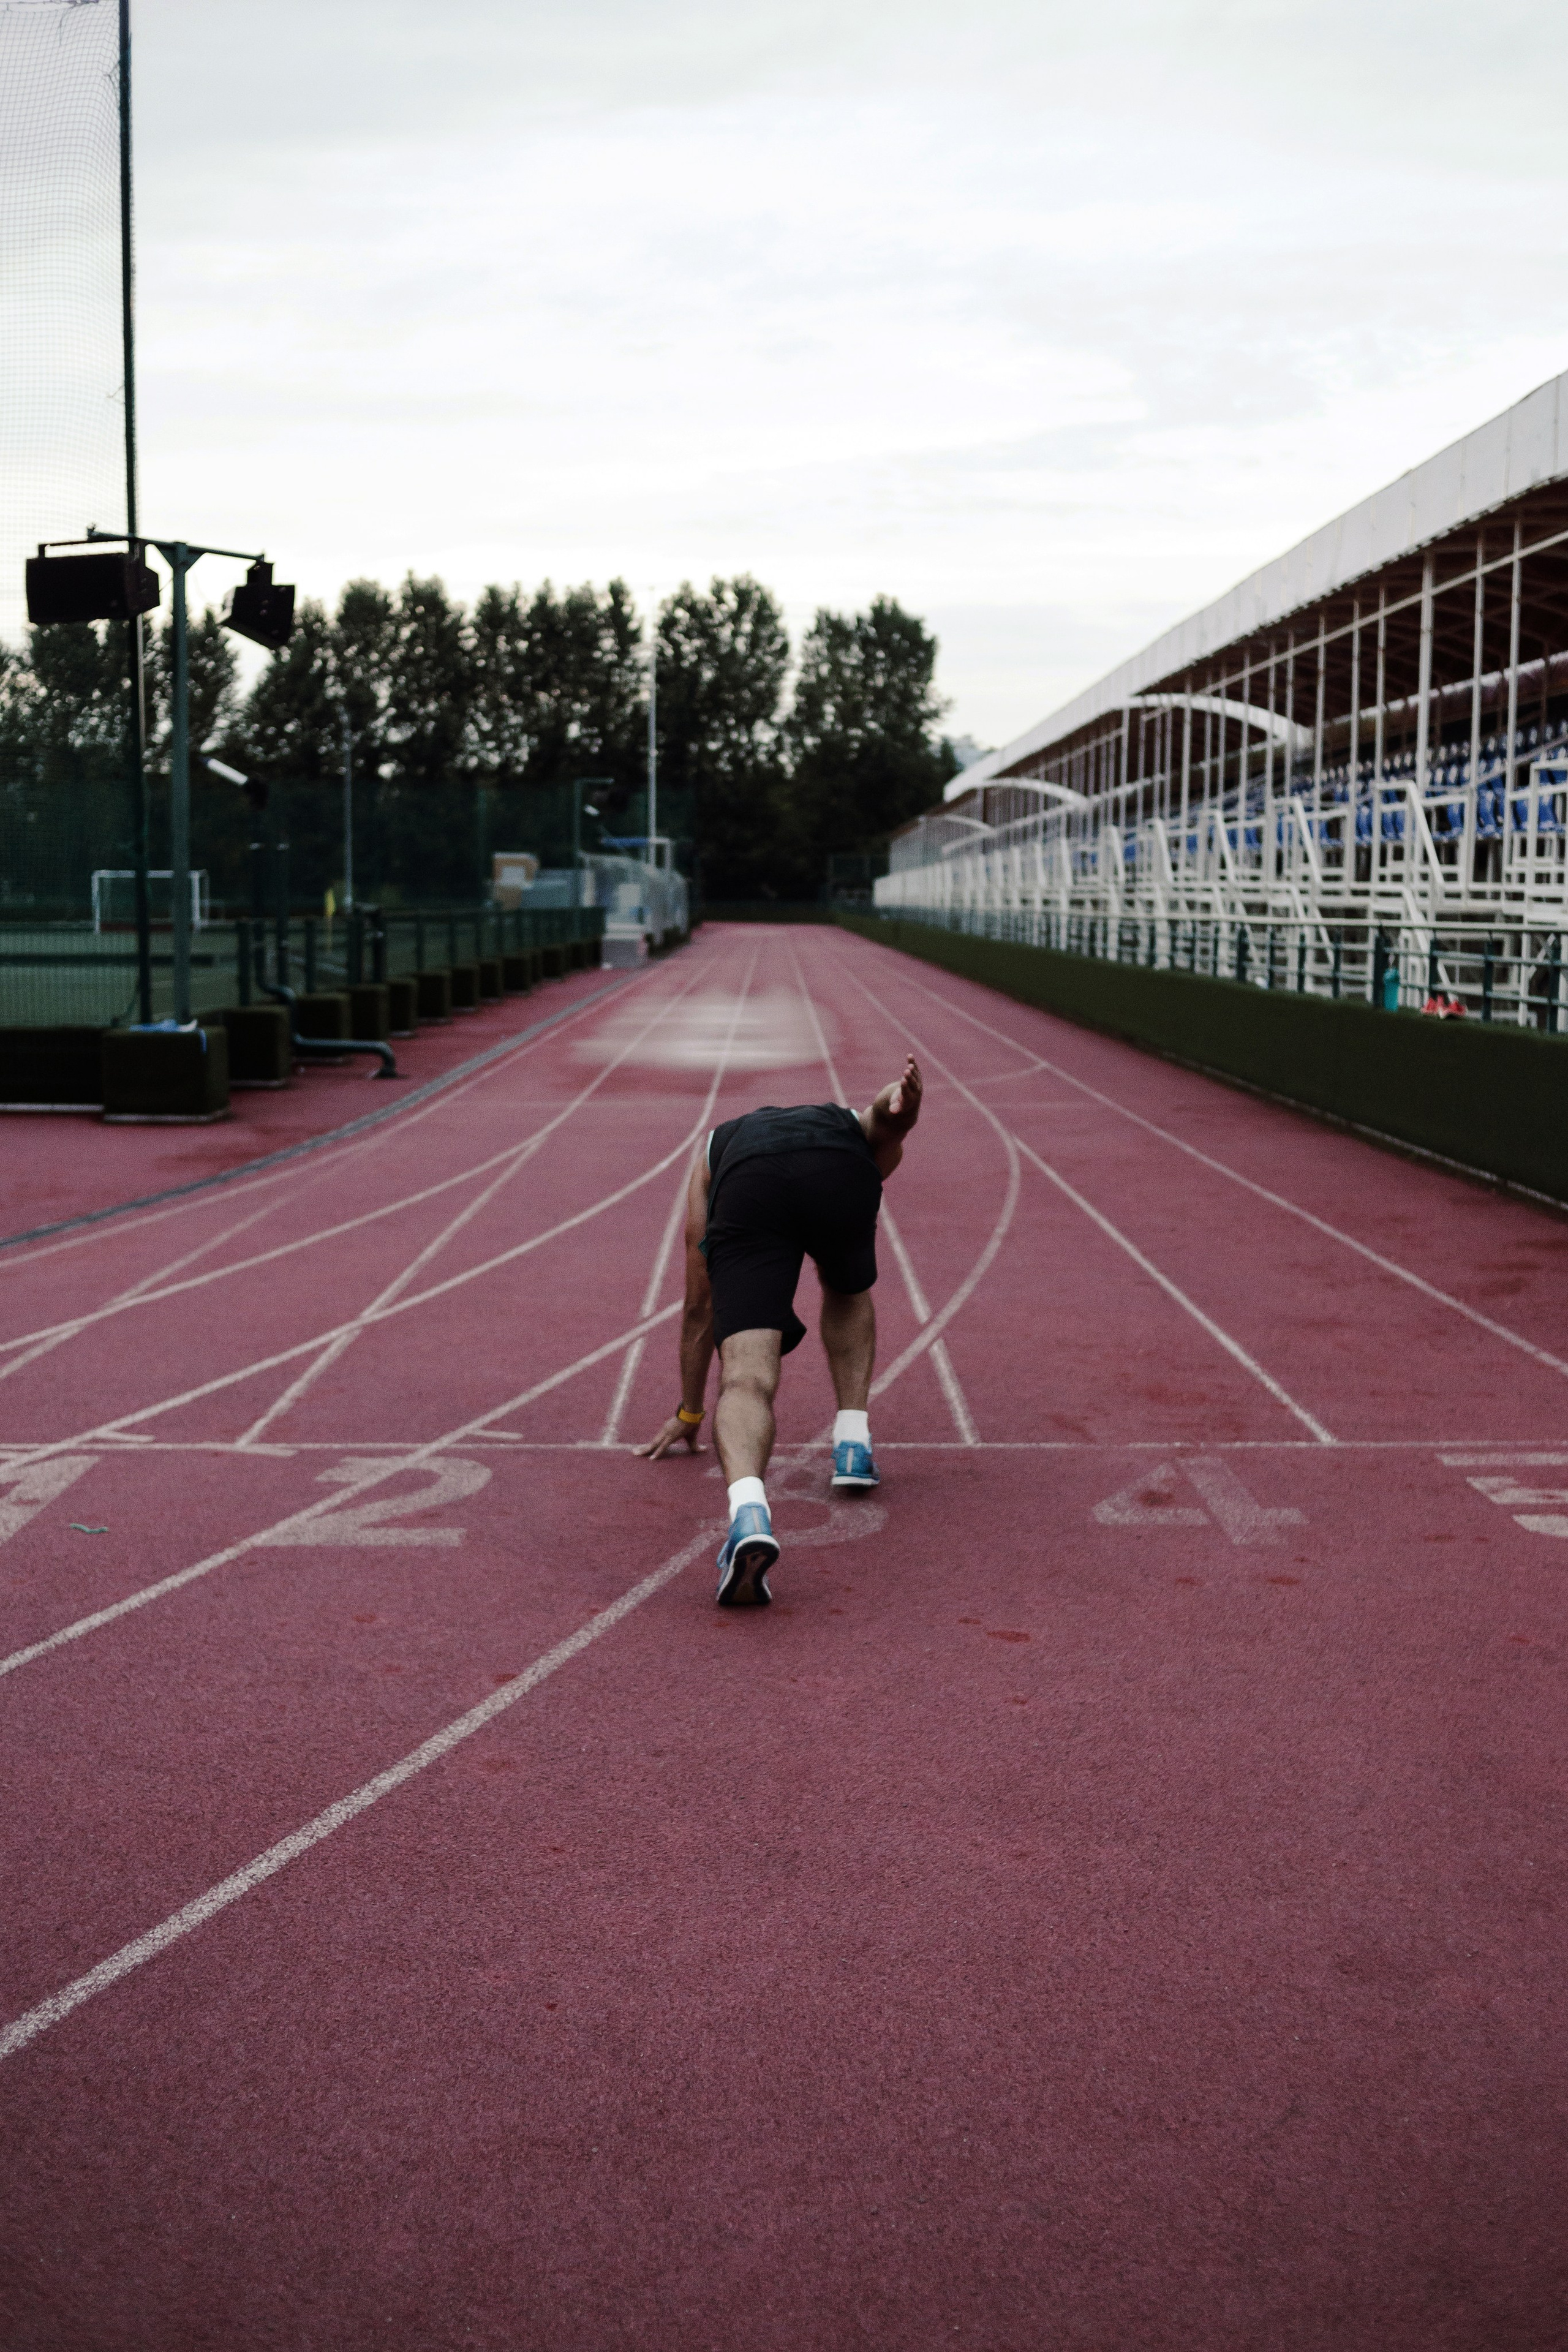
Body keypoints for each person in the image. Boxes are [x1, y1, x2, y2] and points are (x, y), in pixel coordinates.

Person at [636, 1057, 923, 1607]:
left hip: (750, 1186)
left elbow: (700, 1304)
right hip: (837, 1169)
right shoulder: (845, 1127)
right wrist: (906, 1104)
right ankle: (853, 1444)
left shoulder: (714, 1152)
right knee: (847, 1289)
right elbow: (886, 1122)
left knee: (746, 1374)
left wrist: (690, 1411)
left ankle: (748, 1512)